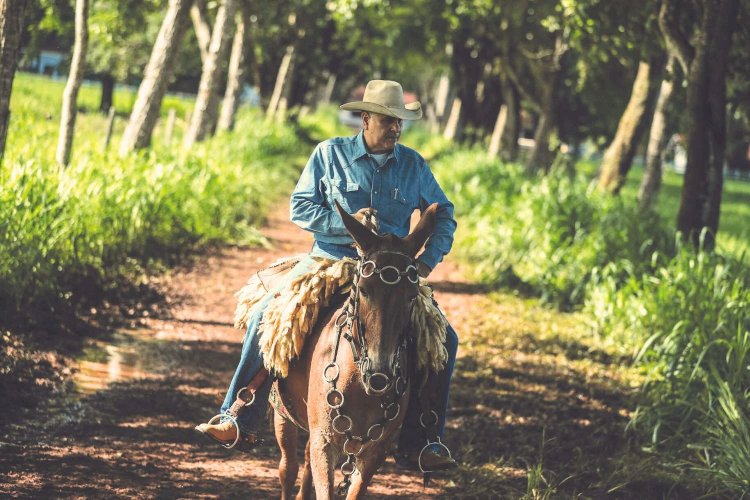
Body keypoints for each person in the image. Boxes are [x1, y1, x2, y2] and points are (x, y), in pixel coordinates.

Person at [195, 80, 459, 471]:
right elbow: (300, 208)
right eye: (387, 120)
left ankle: (424, 440)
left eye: (399, 121)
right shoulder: (329, 154)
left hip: (390, 274)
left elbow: (444, 215)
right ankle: (237, 414)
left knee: (444, 338)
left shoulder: (414, 165)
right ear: (365, 119)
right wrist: (346, 225)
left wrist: (423, 264)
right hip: (328, 263)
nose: (395, 128)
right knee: (269, 313)